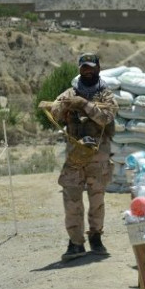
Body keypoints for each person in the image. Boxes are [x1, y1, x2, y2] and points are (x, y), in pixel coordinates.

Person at [51, 53, 118, 261]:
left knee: (96, 198)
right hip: (75, 156)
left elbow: (106, 117)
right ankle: (75, 243)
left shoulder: (106, 95)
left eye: (91, 67)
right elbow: (54, 112)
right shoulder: (70, 93)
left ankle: (96, 237)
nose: (87, 71)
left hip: (98, 156)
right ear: (79, 69)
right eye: (84, 67)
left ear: (98, 68)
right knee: (71, 199)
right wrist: (66, 106)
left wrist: (84, 105)